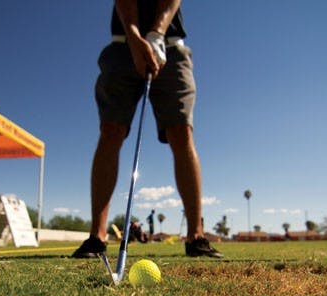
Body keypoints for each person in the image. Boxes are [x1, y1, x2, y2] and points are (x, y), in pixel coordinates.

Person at [72, 0, 222, 259]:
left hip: (171, 48)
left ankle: (196, 236)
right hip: (122, 45)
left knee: (181, 132)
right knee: (111, 130)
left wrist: (156, 34)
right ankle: (97, 237)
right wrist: (134, 36)